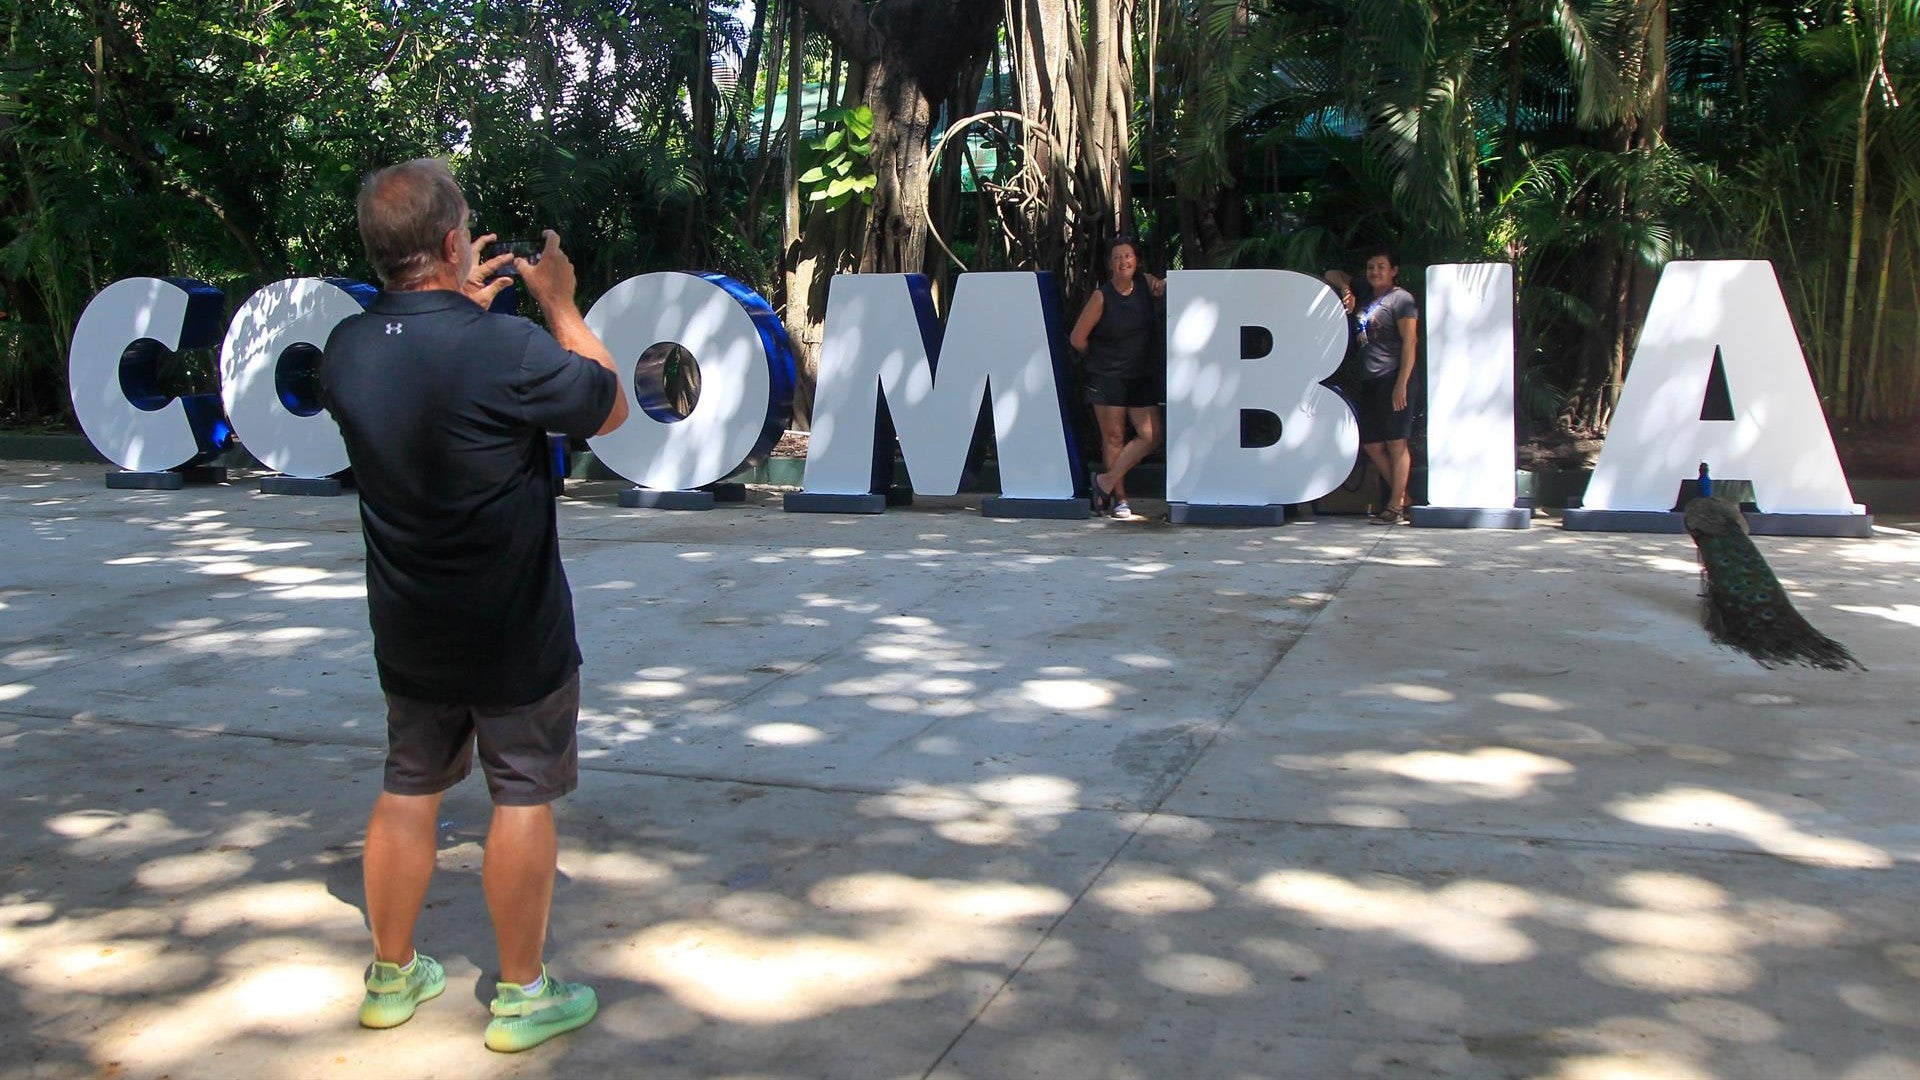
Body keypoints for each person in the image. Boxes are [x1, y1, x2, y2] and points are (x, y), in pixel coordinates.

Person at [320, 158, 629, 1053]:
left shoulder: (346, 350)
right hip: (512, 627)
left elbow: (430, 377)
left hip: (408, 625)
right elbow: (606, 408)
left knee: (409, 784)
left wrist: (464, 314)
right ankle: (524, 993)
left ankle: (391, 973)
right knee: (522, 791)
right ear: (456, 243)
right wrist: (563, 306)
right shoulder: (510, 352)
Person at [1069, 236, 1165, 521]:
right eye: (1117, 257)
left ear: (1136, 260)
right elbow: (1077, 339)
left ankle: (1105, 481)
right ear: (1110, 264)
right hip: (1107, 375)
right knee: (1114, 437)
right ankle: (1119, 500)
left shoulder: (1147, 285)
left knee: (1151, 435)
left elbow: (1167, 289)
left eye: (1128, 256)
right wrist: (1100, 356)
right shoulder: (1102, 296)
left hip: (1139, 375)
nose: (1123, 262)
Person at [1325, 249, 1419, 523]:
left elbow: (1410, 343)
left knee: (1396, 442)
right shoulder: (1366, 291)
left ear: (1394, 271)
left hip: (1394, 377)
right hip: (1370, 379)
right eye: (1370, 267)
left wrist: (1402, 383)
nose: (1375, 272)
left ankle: (1394, 507)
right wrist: (1345, 287)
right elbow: (1331, 273)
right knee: (1372, 444)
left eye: (1381, 267)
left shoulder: (1402, 300)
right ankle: (1405, 498)